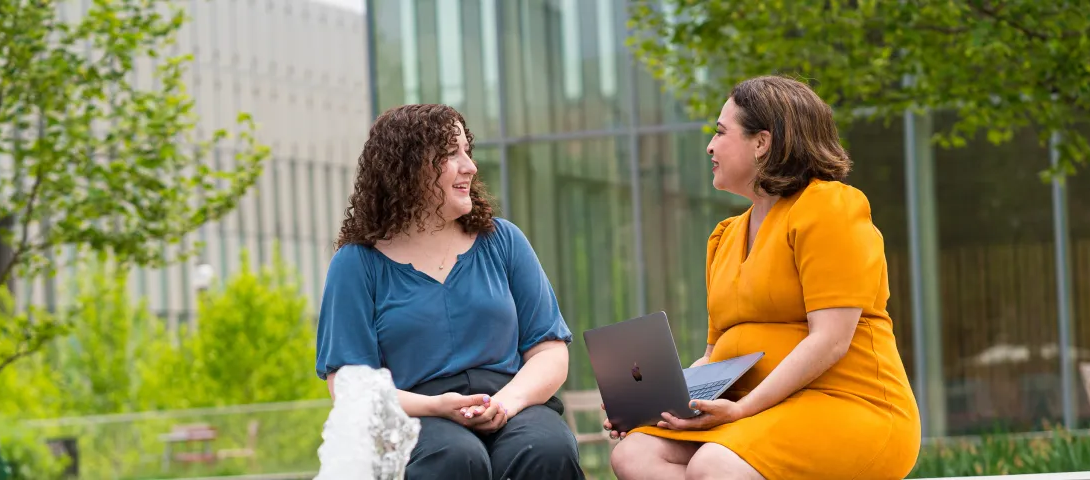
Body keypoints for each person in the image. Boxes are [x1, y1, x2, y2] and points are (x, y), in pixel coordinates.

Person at [603, 76, 922, 479]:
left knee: (714, 464)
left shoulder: (829, 208)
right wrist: (650, 401)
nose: (710, 146)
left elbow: (831, 339)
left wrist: (743, 408)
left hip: (849, 404)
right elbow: (715, 354)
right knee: (634, 454)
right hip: (752, 412)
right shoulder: (724, 237)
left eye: (721, 133)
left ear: (762, 142)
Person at [315, 104, 585, 480]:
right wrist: (436, 406)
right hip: (415, 413)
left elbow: (549, 351)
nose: (470, 166)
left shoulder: (503, 241)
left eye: (467, 151)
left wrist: (503, 404)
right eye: (450, 154)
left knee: (545, 448)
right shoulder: (357, 263)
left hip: (509, 400)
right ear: (406, 170)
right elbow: (350, 386)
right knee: (455, 457)